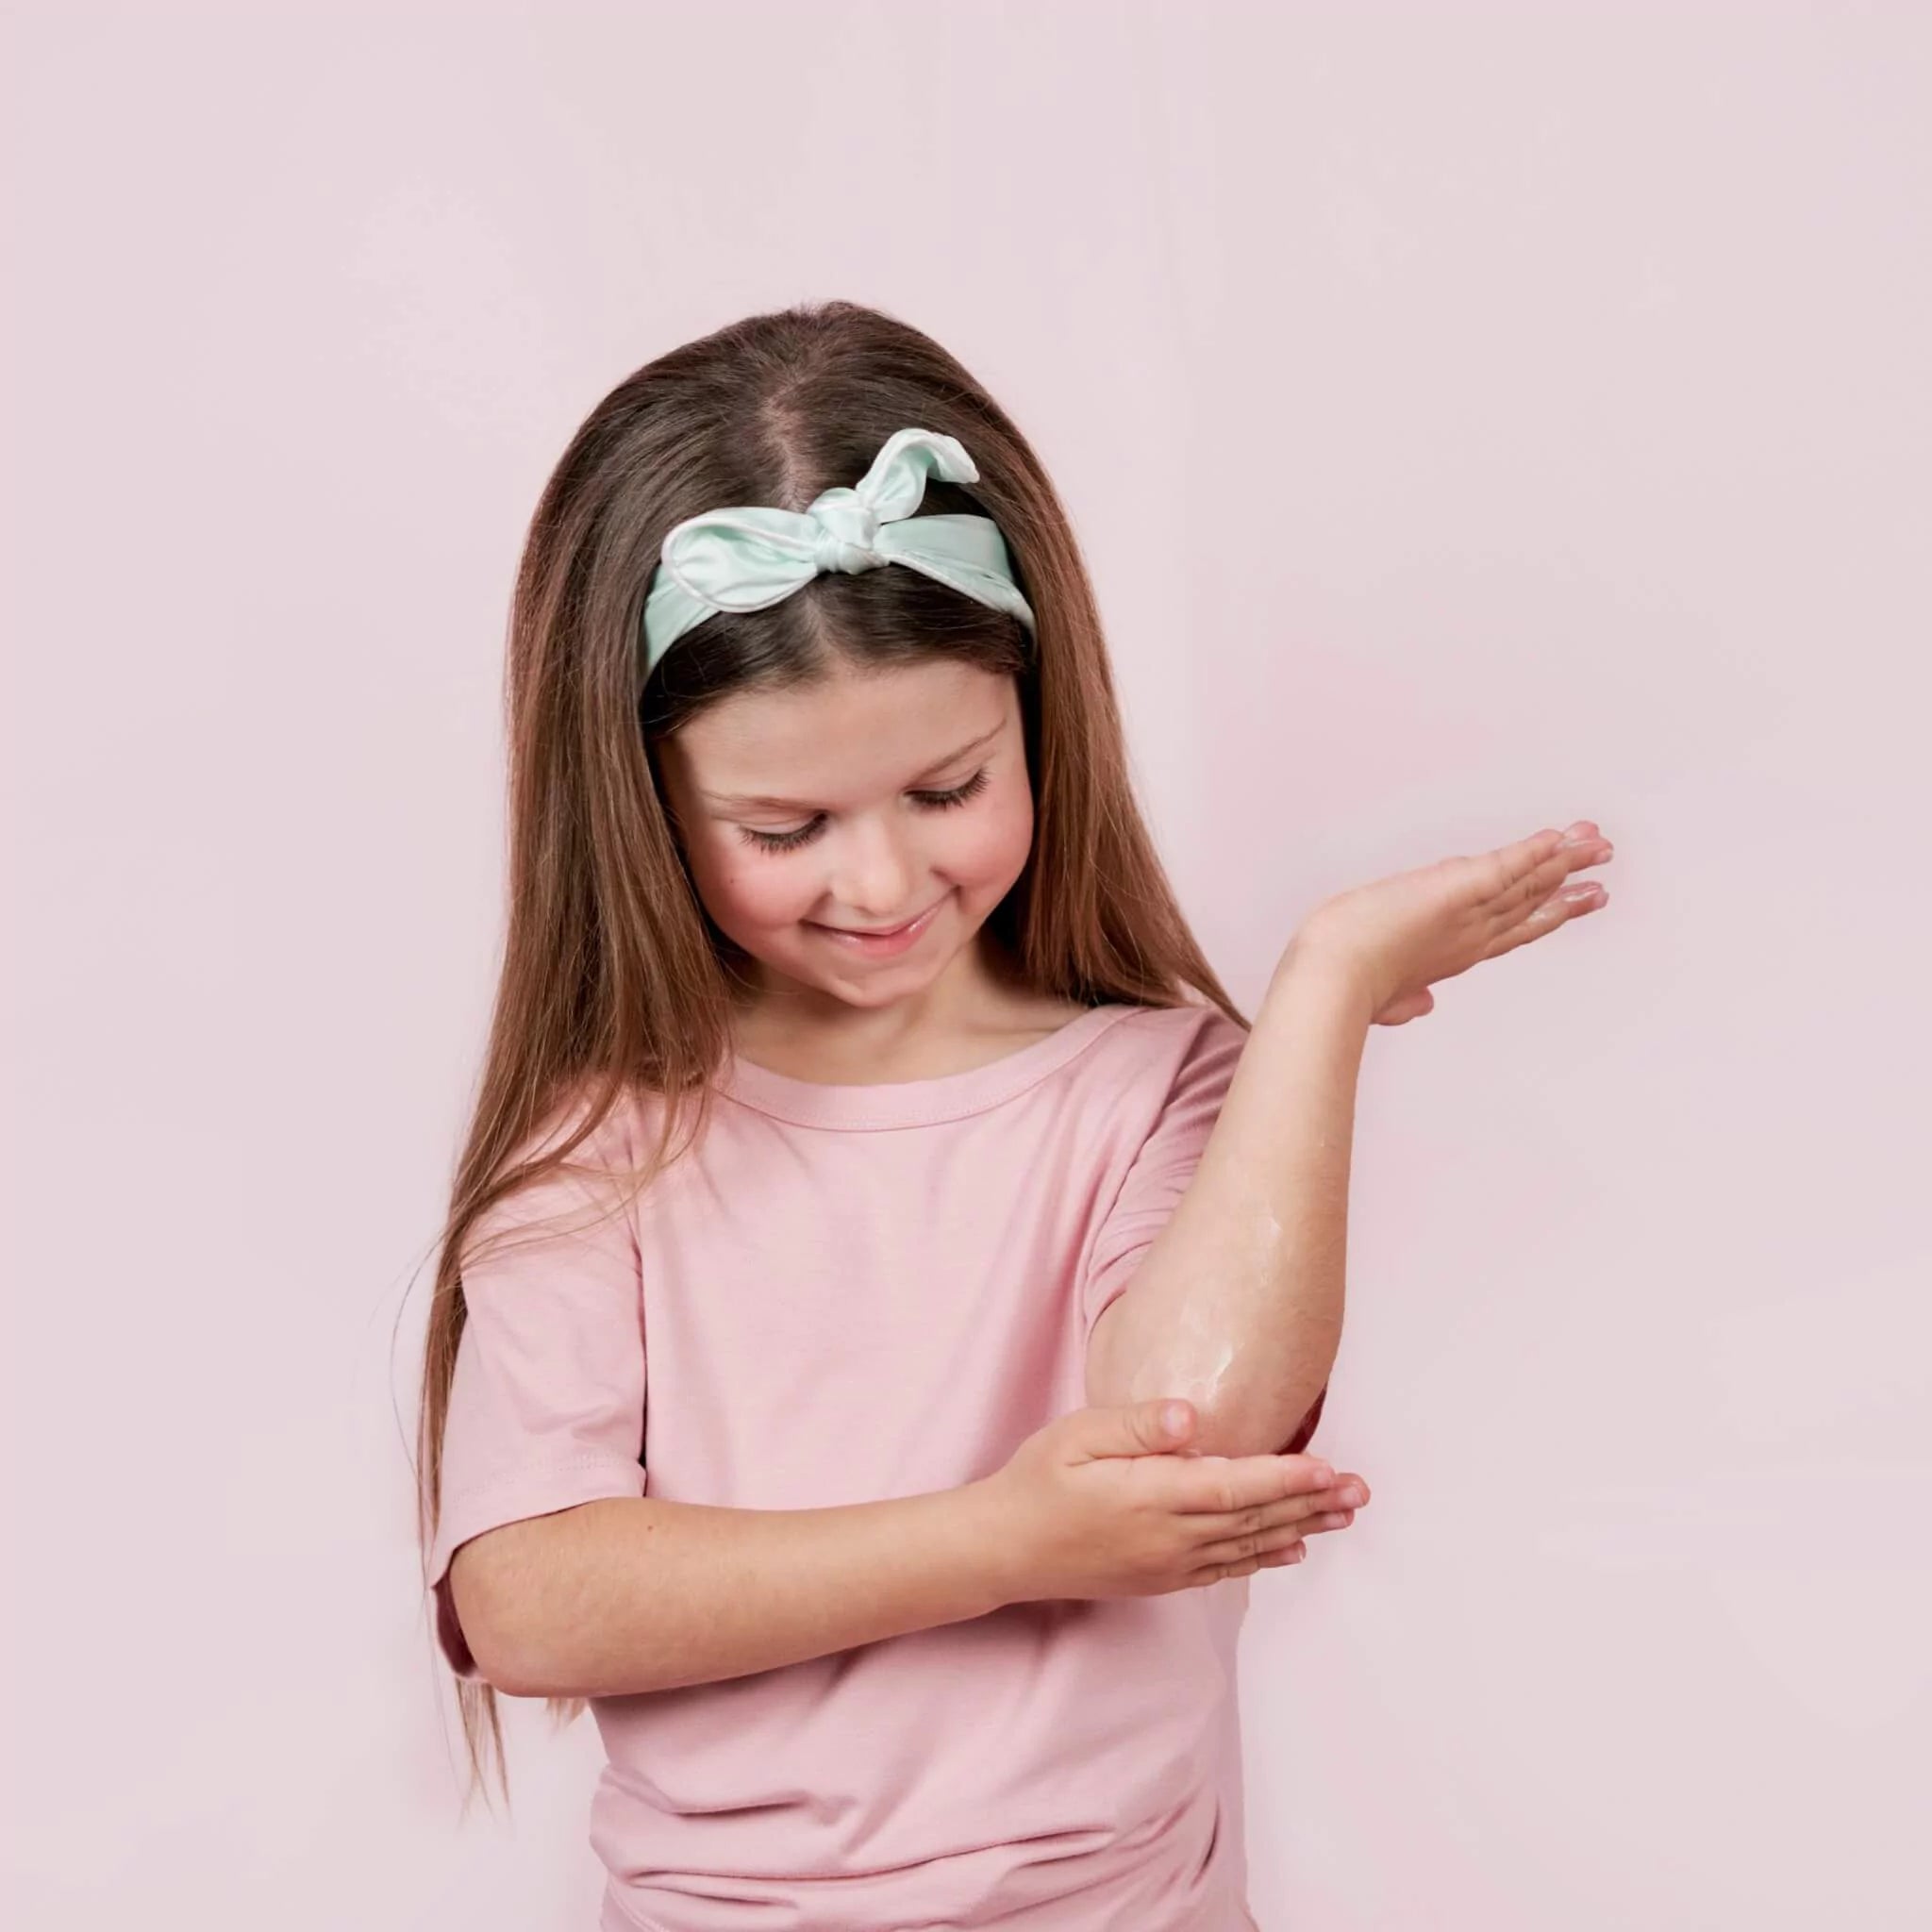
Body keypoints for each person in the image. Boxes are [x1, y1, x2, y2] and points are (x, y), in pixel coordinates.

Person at [412, 299, 1613, 1932]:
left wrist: (1322, 998)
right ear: (642, 806)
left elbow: (1194, 1423)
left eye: (948, 789)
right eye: (786, 827)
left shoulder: (1161, 1088)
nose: (881, 881)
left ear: (1038, 723)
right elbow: (528, 1602)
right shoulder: (606, 1151)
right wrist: (1005, 1540)